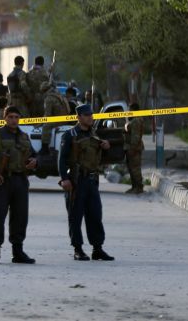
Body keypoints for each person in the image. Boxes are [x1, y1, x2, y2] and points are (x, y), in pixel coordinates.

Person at [0, 105, 38, 264]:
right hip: (2, 181)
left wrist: (34, 162)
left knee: (20, 217)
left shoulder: (24, 137)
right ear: (5, 118)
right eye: (10, 117)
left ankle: (18, 252)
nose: (14, 120)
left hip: (21, 181)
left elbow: (34, 156)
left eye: (16, 117)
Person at [58, 103, 114, 262]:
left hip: (92, 180)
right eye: (87, 115)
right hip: (77, 180)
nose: (91, 117)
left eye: (91, 114)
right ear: (79, 117)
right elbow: (61, 159)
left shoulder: (94, 134)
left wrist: (105, 146)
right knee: (75, 216)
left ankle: (97, 248)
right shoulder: (69, 135)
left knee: (95, 214)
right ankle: (78, 249)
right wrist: (64, 179)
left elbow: (98, 152)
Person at [40, 81, 71, 155]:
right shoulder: (59, 95)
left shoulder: (49, 98)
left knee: (46, 126)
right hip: (66, 119)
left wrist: (39, 123)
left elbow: (47, 116)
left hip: (59, 120)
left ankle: (45, 148)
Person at [124, 103, 145, 194]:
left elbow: (135, 137)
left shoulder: (136, 120)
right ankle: (134, 187)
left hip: (134, 148)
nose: (128, 112)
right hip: (131, 147)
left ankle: (139, 187)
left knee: (135, 168)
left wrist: (132, 148)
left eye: (130, 110)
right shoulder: (133, 120)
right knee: (131, 168)